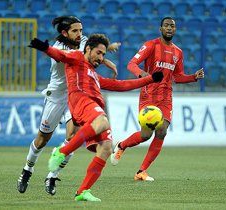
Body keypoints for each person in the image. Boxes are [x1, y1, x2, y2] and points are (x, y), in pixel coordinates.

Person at [28, 34, 163, 201]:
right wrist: (45, 48)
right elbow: (60, 55)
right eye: (98, 53)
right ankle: (61, 152)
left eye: (103, 55)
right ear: (88, 49)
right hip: (82, 102)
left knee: (105, 148)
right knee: (103, 122)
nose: (101, 58)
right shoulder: (77, 58)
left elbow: (120, 85)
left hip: (92, 108)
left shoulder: (95, 75)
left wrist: (150, 79)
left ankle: (83, 191)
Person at [17, 16, 121, 196]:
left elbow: (93, 49)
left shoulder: (84, 42)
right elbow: (72, 57)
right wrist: (105, 61)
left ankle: (52, 175)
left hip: (77, 98)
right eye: (75, 31)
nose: (80, 34)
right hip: (57, 97)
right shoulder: (58, 49)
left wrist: (107, 50)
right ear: (65, 33)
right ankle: (27, 169)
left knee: (72, 137)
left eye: (81, 30)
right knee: (42, 140)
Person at [110, 17, 205, 181]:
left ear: (175, 30)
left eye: (172, 26)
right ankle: (121, 145)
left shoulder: (178, 52)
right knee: (146, 135)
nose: (169, 28)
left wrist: (193, 77)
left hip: (166, 98)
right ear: (160, 29)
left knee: (162, 131)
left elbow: (178, 77)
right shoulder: (151, 45)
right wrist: (141, 74)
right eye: (166, 25)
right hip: (148, 95)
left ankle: (141, 171)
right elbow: (132, 64)